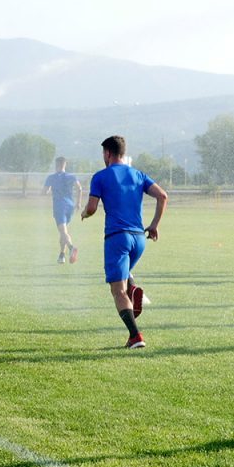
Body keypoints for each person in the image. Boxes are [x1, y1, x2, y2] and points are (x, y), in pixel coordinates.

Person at [81, 136, 168, 349]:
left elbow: (92, 208)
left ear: (108, 153)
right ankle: (133, 288)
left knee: (117, 291)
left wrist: (84, 212)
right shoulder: (138, 174)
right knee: (125, 273)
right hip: (139, 238)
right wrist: (154, 225)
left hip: (117, 238)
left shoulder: (100, 176)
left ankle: (135, 336)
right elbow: (162, 196)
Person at [43, 157, 83, 264]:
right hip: (70, 206)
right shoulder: (71, 176)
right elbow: (79, 188)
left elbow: (44, 192)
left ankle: (71, 248)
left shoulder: (51, 177)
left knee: (63, 231)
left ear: (56, 164)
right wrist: (78, 203)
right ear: (65, 164)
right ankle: (61, 255)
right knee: (63, 232)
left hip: (59, 206)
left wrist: (48, 190)